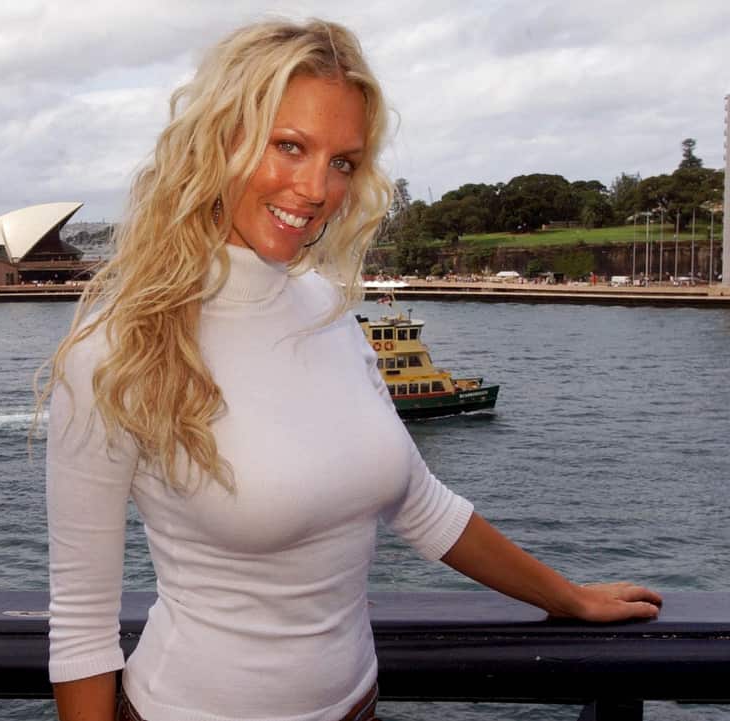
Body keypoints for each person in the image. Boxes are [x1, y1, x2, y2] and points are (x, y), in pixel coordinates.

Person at [41, 18, 662, 721]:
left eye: (341, 161)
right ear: (219, 140)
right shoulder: (120, 345)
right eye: (290, 146)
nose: (315, 189)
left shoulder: (327, 307)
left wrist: (567, 595)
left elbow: (420, 503)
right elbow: (84, 624)